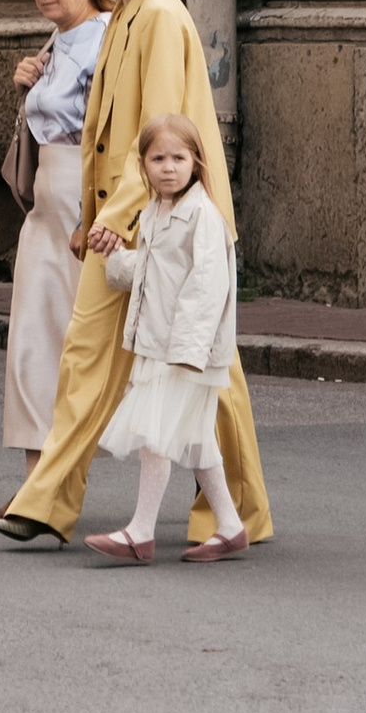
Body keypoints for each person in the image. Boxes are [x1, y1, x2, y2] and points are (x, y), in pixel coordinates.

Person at [0, 0, 272, 552]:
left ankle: (240, 512)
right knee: (90, 355)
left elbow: (162, 133)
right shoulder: (132, 17)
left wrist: (112, 219)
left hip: (166, 224)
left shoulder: (160, 18)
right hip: (134, 218)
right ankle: (47, 503)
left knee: (208, 374)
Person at [0, 0, 110, 513]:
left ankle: (206, 479)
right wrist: (26, 84)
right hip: (46, 207)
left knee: (108, 349)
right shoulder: (56, 42)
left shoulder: (108, 38)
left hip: (88, 202)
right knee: (32, 340)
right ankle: (36, 488)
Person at [85, 114, 250, 566]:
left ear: (196, 162)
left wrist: (187, 352)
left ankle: (141, 532)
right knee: (197, 440)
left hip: (184, 352)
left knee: (154, 433)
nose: (168, 167)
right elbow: (152, 270)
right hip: (161, 345)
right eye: (157, 158)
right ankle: (232, 527)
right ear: (143, 166)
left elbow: (207, 285)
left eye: (178, 158)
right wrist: (113, 260)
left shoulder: (203, 215)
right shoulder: (157, 212)